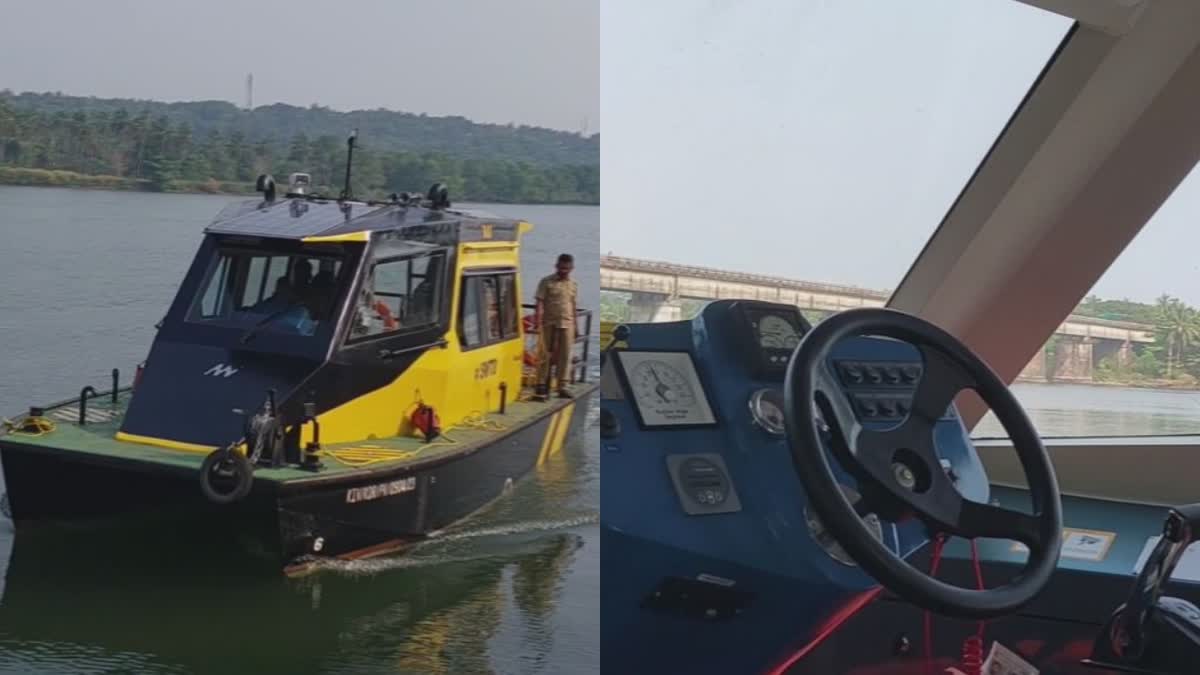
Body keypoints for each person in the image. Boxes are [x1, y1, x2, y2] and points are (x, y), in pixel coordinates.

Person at [534, 253, 578, 399]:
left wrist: (576, 327)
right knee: (544, 353)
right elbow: (539, 301)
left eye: (566, 268)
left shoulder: (573, 285)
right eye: (561, 267)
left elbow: (573, 305)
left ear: (571, 268)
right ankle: (540, 383)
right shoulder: (546, 282)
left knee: (565, 355)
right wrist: (537, 320)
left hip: (567, 323)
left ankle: (562, 385)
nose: (563, 271)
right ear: (556, 266)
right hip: (549, 322)